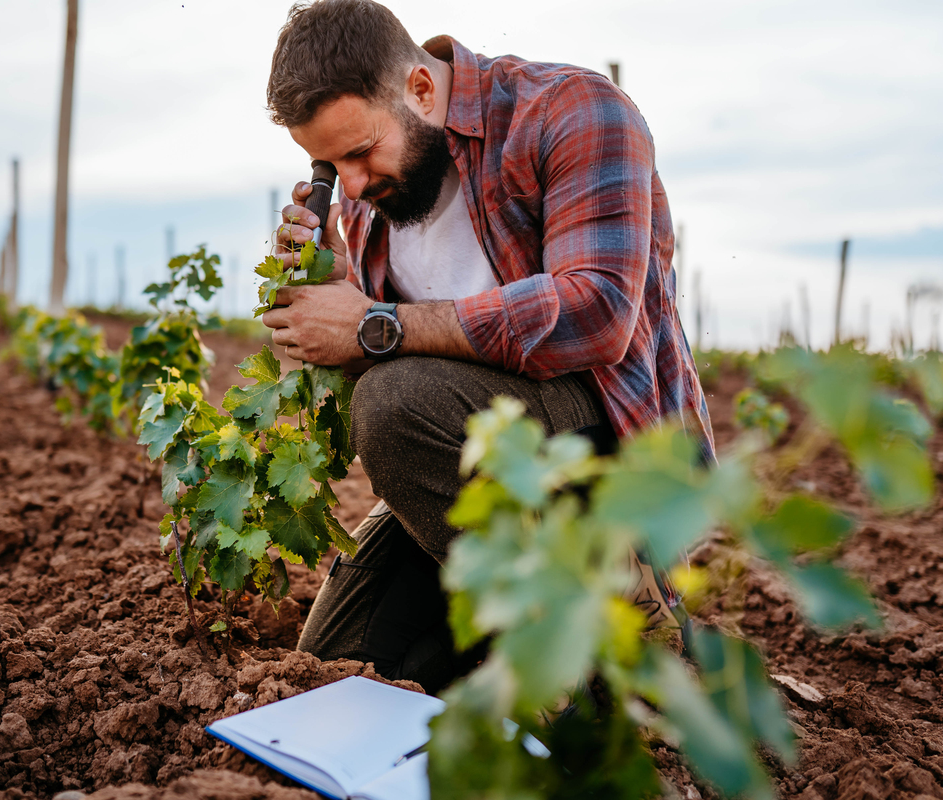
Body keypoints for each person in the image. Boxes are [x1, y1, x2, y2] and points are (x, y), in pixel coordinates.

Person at [260, 0, 714, 694]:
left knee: (393, 402)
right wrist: (333, 298)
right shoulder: (372, 197)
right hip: (478, 467)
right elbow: (384, 349)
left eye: (357, 154)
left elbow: (597, 313)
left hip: (606, 457)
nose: (348, 185)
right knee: (337, 672)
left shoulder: (574, 111)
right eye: (328, 165)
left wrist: (373, 323)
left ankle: (609, 624)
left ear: (418, 89)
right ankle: (514, 632)